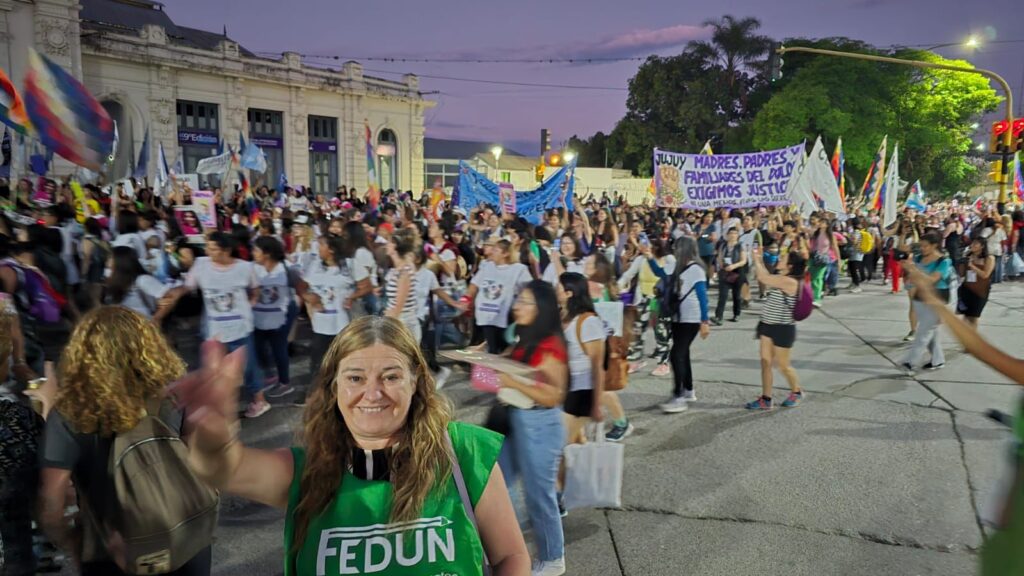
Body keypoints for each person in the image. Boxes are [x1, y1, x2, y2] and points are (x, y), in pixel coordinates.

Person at [172, 316, 530, 575]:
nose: (372, 393)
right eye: (355, 378)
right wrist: (213, 435)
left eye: (391, 376)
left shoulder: (463, 452)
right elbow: (224, 468)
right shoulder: (308, 470)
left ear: (417, 381)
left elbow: (510, 556)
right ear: (334, 387)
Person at [38, 306, 212, 575]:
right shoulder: (173, 394)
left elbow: (52, 503)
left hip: (111, 551)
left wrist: (72, 543)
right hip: (182, 535)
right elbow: (200, 460)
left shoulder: (69, 412)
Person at [495, 280, 569, 576]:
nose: (517, 306)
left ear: (542, 308)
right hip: (515, 419)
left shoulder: (551, 344)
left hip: (540, 423)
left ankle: (553, 559)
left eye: (524, 301)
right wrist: (476, 362)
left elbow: (553, 396)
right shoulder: (523, 338)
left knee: (540, 494)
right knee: (498, 485)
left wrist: (508, 380)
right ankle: (502, 547)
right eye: (518, 300)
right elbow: (492, 381)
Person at [185, 232, 268, 418]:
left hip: (241, 329)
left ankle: (259, 400)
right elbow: (187, 286)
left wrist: (251, 303)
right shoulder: (200, 265)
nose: (208, 251)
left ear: (226, 250)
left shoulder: (246, 268)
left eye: (213, 248)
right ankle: (217, 405)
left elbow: (255, 289)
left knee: (248, 366)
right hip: (213, 331)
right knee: (211, 368)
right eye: (207, 247)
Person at [648, 236, 710, 413]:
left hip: (691, 318)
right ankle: (688, 390)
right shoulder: (677, 266)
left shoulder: (696, 269)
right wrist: (649, 257)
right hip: (677, 317)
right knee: (683, 354)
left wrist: (704, 321)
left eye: (677, 247)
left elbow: (702, 297)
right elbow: (659, 273)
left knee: (676, 355)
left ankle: (679, 396)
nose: (674, 250)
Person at [746, 246, 806, 410]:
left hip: (783, 328)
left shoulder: (790, 281)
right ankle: (766, 398)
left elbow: (763, 278)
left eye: (783, 259)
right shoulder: (781, 277)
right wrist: (758, 260)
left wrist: (757, 260)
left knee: (783, 365)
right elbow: (766, 276)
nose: (780, 259)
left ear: (790, 266)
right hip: (767, 325)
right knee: (765, 362)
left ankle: (797, 391)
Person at [252, 236, 306, 399]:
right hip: (259, 316)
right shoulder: (253, 268)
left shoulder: (288, 269)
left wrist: (296, 311)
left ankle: (284, 383)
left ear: (267, 254)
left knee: (278, 348)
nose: (253, 253)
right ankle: (270, 375)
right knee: (258, 347)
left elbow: (302, 288)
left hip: (281, 316)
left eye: (256, 250)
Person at [557, 272, 605, 442]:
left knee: (562, 446)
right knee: (576, 443)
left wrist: (597, 405)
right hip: (564, 388)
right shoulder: (561, 316)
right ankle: (583, 468)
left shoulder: (588, 322)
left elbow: (597, 366)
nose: (555, 289)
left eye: (558, 287)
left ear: (569, 293)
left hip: (581, 392)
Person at [900, 232, 952, 375]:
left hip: (937, 297)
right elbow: (913, 277)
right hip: (920, 296)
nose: (922, 249)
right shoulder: (918, 258)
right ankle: (938, 360)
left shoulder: (944, 262)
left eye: (925, 246)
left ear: (934, 246)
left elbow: (932, 279)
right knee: (930, 331)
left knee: (923, 332)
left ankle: (910, 362)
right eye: (920, 246)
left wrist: (914, 270)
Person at [466, 238, 530, 354]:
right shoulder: (487, 266)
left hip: (505, 315)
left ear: (505, 253)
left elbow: (528, 288)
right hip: (485, 314)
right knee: (492, 348)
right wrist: (466, 299)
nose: (492, 252)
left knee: (506, 346)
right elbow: (474, 284)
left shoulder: (518, 269)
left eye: (496, 250)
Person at [302, 234, 356, 372]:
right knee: (318, 367)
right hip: (320, 326)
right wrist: (309, 298)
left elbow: (366, 285)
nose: (318, 248)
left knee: (342, 365)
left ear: (331, 249)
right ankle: (317, 392)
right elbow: (301, 286)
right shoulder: (315, 266)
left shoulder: (349, 266)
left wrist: (352, 297)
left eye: (321, 245)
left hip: (342, 326)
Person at [104, 246, 183, 322]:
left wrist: (156, 319)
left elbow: (169, 299)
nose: (107, 260)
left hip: (143, 327)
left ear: (120, 260)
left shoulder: (142, 280)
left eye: (110, 257)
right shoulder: (112, 279)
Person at [957, 237, 995, 328]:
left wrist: (972, 266)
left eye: (975, 244)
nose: (972, 246)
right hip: (967, 288)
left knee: (974, 316)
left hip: (980, 290)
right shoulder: (968, 255)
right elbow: (962, 274)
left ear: (982, 246)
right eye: (972, 243)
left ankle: (973, 337)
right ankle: (966, 337)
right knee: (966, 315)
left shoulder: (989, 258)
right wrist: (961, 263)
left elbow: (985, 274)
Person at [712, 227, 747, 324]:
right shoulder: (723, 245)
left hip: (737, 271)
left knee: (736, 295)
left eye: (735, 233)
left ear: (738, 235)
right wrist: (722, 265)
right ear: (727, 235)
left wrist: (733, 266)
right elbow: (719, 257)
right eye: (731, 233)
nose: (732, 235)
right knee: (722, 295)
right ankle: (718, 317)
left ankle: (736, 314)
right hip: (725, 271)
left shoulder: (740, 246)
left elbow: (743, 260)